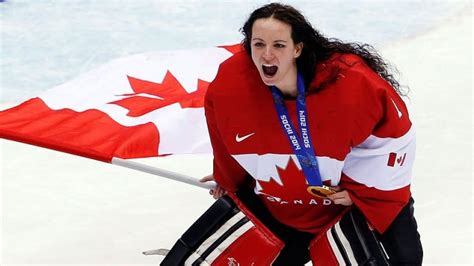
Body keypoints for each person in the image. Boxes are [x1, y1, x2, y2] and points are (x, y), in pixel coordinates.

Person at [200, 3, 423, 265]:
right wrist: (229, 180)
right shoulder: (231, 85)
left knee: (407, 260)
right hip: (286, 207)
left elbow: (395, 140)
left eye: (279, 45)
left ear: (298, 48)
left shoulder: (350, 82)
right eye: (258, 44)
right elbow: (223, 135)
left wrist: (365, 192)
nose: (267, 55)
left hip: (355, 202)